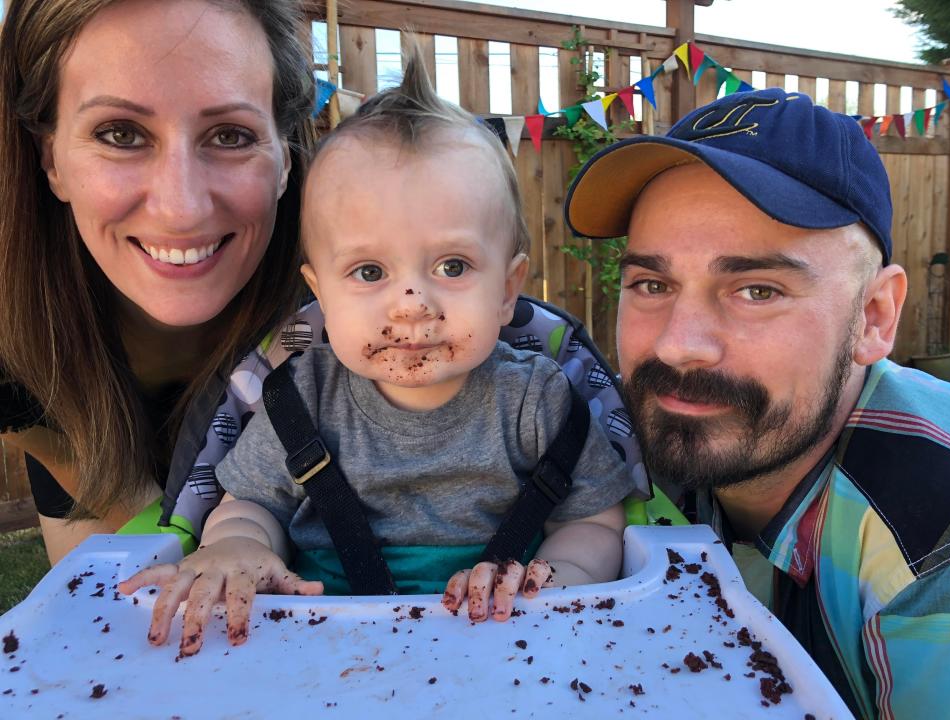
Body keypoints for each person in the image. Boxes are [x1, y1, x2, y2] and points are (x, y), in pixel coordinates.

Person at [120, 50, 633, 657]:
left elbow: (595, 523)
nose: (411, 305)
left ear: (507, 291)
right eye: (368, 271)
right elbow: (248, 505)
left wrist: (560, 582)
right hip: (321, 651)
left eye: (452, 266)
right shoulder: (298, 399)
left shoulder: (540, 400)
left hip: (503, 645)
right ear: (321, 295)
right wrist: (238, 548)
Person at [565, 87, 950, 719]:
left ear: (874, 317)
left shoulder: (938, 532)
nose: (678, 345)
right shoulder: (613, 441)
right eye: (652, 284)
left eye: (756, 289)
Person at [0, 0, 316, 563]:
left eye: (231, 135)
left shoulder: (339, 315)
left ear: (286, 156)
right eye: (120, 133)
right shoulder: (13, 343)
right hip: (81, 433)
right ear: (50, 158)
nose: (181, 209)